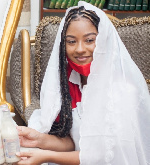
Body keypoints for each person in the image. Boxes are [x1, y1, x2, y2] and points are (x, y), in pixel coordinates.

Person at [16, 2, 150, 165]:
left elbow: (101, 156)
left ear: (104, 40)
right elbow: (74, 143)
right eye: (71, 41)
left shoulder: (124, 91)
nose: (80, 49)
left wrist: (46, 156)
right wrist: (38, 139)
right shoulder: (69, 84)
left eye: (89, 40)